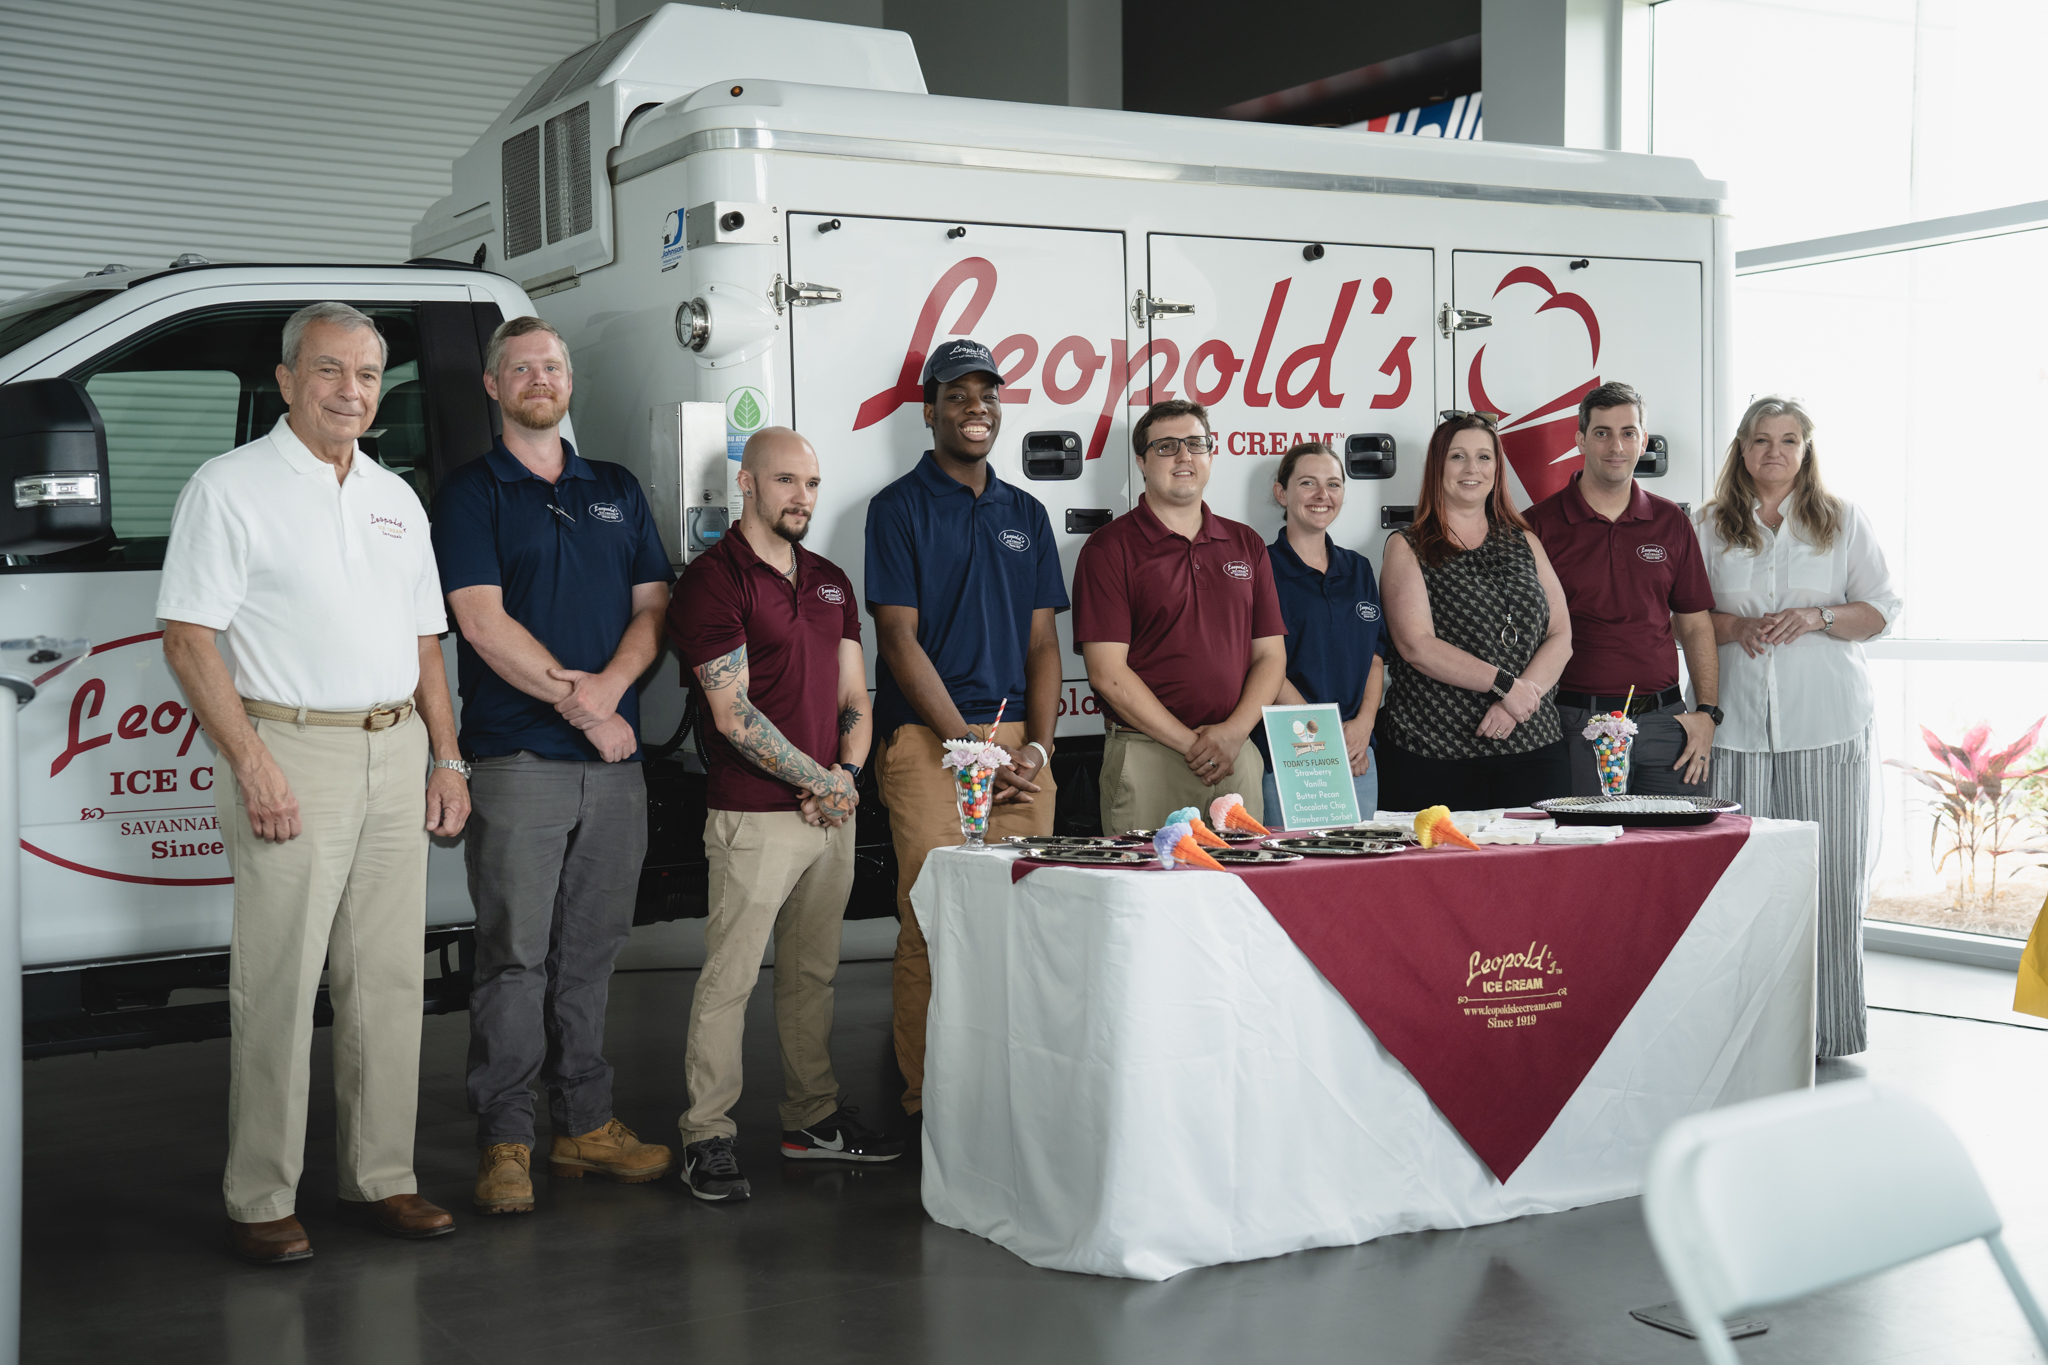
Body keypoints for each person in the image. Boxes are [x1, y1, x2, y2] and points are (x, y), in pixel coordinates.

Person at [159, 302, 469, 1264]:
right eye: (330, 371)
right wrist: (252, 760)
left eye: (369, 375)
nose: (352, 391)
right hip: (291, 749)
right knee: (280, 981)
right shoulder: (230, 486)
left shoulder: (393, 496)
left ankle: (384, 1176)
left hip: (394, 746)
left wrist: (445, 755)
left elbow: (425, 640)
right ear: (287, 379)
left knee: (384, 981)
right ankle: (260, 1193)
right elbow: (188, 635)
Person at [430, 316, 676, 1216]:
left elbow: (655, 608)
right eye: (523, 366)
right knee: (513, 960)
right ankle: (505, 1139)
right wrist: (585, 708)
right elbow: (482, 623)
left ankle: (586, 1124)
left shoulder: (613, 487)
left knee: (592, 954)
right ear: (494, 387)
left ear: (570, 383)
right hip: (519, 762)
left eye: (555, 365)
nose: (542, 376)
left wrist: (610, 689)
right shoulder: (470, 494)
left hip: (613, 769)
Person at [670, 425, 898, 1202]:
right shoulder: (714, 580)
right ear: (746, 484)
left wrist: (847, 774)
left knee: (814, 973)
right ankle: (707, 1133)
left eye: (810, 483)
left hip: (829, 811)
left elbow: (855, 698)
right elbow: (731, 715)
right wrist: (822, 780)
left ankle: (811, 1118)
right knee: (729, 979)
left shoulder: (832, 580)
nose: (801, 497)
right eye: (784, 482)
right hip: (753, 814)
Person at [863, 339, 1066, 1123]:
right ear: (930, 411)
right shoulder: (897, 508)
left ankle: (1009, 1093)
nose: (975, 407)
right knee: (932, 918)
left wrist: (1038, 748)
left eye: (987, 394)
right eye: (957, 395)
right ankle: (930, 1101)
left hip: (1019, 746)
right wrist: (971, 745)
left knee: (1023, 919)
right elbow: (898, 642)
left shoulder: (1025, 513)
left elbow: (1043, 642)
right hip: (927, 743)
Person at [1696, 396, 1900, 1057]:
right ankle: (1744, 1038)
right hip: (1736, 728)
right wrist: (1738, 627)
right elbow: (1687, 618)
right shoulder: (1708, 525)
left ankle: (1828, 1029)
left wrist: (1817, 617)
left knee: (1829, 876)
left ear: (1806, 448)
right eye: (1761, 439)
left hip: (1828, 722)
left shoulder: (1842, 521)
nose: (1774, 451)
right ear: (1742, 448)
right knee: (1740, 880)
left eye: (1788, 439)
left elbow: (1881, 611)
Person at [1074, 398, 1287, 834]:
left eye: (1195, 443)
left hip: (1236, 756)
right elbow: (1107, 674)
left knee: (1239, 896)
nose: (1184, 456)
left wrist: (1231, 735)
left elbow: (1270, 657)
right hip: (1148, 756)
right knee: (1147, 897)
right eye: (1167, 446)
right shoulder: (1108, 548)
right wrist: (1194, 745)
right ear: (1142, 462)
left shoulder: (1246, 543)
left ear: (1211, 454)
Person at [1523, 382, 1722, 795]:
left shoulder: (1671, 522)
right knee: (1588, 854)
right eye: (1602, 433)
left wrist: (1706, 713)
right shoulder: (1537, 525)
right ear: (1580, 439)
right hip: (1574, 724)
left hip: (1667, 726)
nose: (1616, 445)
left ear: (1643, 440)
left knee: (1673, 854)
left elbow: (1696, 625)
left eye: (1628, 432)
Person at [1378, 414, 1573, 809]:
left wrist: (1519, 701)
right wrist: (1505, 685)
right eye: (1458, 457)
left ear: (1497, 469)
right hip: (1434, 753)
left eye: (1484, 457)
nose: (1472, 469)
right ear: (1438, 467)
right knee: (1443, 871)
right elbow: (1415, 645)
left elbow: (1562, 635)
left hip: (1533, 747)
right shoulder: (1407, 545)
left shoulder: (1525, 541)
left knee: (1540, 868)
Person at [1259, 441, 1386, 824]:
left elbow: (1375, 657)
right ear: (1281, 492)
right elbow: (1262, 663)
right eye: (1307, 483)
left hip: (1356, 754)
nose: (1322, 495)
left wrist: (1363, 726)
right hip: (1289, 750)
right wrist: (1322, 736)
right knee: (1293, 872)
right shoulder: (1262, 566)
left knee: (1359, 872)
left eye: (1333, 484)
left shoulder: (1359, 568)